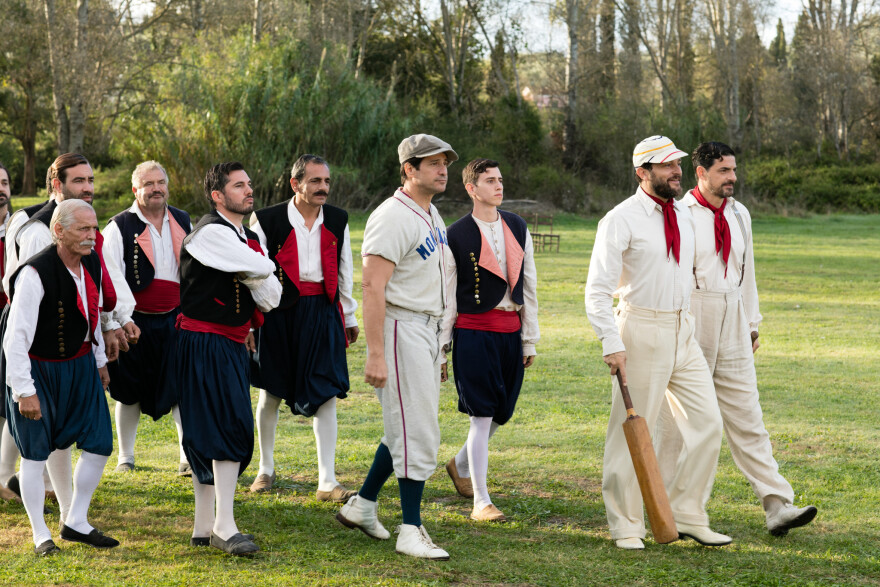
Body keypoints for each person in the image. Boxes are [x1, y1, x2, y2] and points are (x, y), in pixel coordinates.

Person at [654, 141, 817, 536]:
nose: (732, 178)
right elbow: (668, 272)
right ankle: (663, 508)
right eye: (724, 171)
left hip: (733, 318)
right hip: (691, 315)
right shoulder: (679, 212)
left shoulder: (740, 214)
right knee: (675, 422)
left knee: (748, 416)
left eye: (733, 170)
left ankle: (777, 505)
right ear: (702, 173)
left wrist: (751, 322)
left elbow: (747, 273)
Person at [584, 135, 727, 550]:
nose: (675, 171)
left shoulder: (683, 214)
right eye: (665, 166)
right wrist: (611, 342)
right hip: (640, 330)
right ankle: (626, 526)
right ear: (641, 172)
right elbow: (597, 290)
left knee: (707, 425)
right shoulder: (620, 219)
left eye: (677, 164)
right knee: (630, 431)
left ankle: (686, 515)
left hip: (684, 331)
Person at [335, 134, 455, 560]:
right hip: (401, 327)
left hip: (426, 329)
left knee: (403, 427)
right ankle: (411, 528)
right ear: (409, 169)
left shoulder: (432, 213)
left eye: (445, 163)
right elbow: (371, 286)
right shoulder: (391, 216)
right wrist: (376, 352)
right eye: (433, 163)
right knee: (417, 431)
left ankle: (363, 505)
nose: (443, 170)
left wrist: (441, 345)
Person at [1, 154, 119, 525]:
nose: (87, 187)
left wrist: (99, 356)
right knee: (37, 441)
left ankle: (71, 515)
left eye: (91, 179)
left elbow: (92, 308)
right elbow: (18, 322)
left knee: (87, 440)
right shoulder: (38, 239)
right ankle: (45, 516)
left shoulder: (91, 251)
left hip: (76, 355)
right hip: (40, 351)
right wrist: (24, 386)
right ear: (57, 183)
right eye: (78, 180)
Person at [173, 162, 281, 555]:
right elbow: (263, 269)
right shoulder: (206, 234)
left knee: (221, 427)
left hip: (232, 343)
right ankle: (223, 526)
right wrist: (255, 269)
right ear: (218, 195)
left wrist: (254, 270)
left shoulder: (246, 235)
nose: (248, 190)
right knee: (221, 428)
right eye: (238, 186)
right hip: (203, 343)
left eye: (249, 184)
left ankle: (205, 527)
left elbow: (273, 297)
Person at [249, 155, 359, 501]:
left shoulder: (338, 219)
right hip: (278, 312)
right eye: (315, 181)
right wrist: (256, 319)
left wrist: (349, 315)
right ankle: (265, 468)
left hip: (323, 312)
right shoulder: (266, 219)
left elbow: (345, 270)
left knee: (326, 392)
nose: (323, 187)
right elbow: (255, 271)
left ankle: (327, 480)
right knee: (271, 391)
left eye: (326, 181)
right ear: (295, 184)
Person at [440, 158, 539, 522]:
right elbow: (448, 296)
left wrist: (529, 338)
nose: (499, 186)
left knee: (501, 411)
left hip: (510, 332)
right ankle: (481, 501)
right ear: (471, 189)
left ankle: (460, 463)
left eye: (500, 179)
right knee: (481, 416)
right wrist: (443, 349)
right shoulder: (456, 233)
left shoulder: (517, 224)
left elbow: (528, 285)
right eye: (490, 181)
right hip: (473, 332)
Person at [102, 161, 193, 475]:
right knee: (128, 389)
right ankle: (126, 457)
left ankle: (186, 457)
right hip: (134, 321)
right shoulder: (118, 226)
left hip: (177, 319)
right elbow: (109, 276)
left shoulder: (182, 219)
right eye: (148, 183)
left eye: (160, 182)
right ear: (135, 190)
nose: (156, 188)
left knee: (182, 386)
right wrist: (117, 320)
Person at [0, 161, 19, 502]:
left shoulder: (22, 227)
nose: (0, 189)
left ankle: (5, 477)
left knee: (9, 401)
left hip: (12, 323)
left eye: (3, 182)